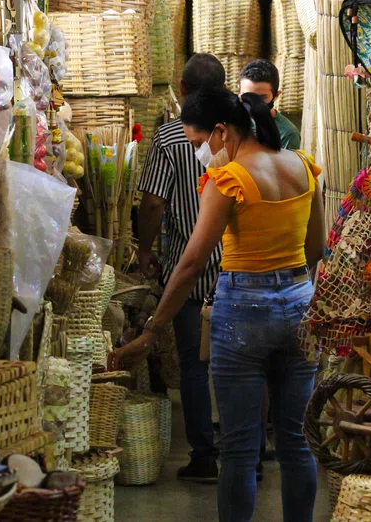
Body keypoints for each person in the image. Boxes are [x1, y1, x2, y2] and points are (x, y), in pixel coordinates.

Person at [113, 89, 325, 522]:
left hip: (244, 311)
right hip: (301, 304)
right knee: (295, 441)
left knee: (241, 448)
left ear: (222, 132)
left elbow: (191, 263)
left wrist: (153, 329)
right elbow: (316, 247)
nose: (198, 153)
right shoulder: (304, 168)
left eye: (196, 143)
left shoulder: (228, 179)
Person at [135, 53, 227, 483]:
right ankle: (246, 452)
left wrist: (145, 248)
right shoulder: (240, 136)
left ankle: (205, 456)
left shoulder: (172, 137)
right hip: (239, 271)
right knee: (238, 362)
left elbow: (153, 201)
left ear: (183, 89)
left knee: (194, 363)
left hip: (189, 271)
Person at [238, 59, 301, 151]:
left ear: (276, 95)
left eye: (262, 98)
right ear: (239, 91)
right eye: (247, 96)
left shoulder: (288, 133)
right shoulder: (230, 122)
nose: (253, 102)